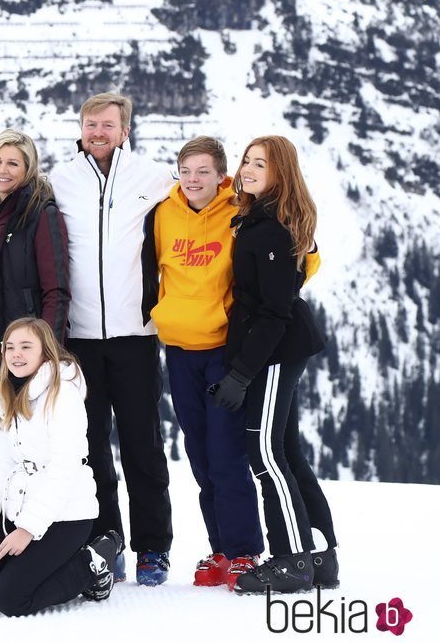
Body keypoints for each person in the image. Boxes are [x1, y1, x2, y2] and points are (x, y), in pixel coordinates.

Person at [49, 92, 175, 585]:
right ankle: (107, 540)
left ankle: (153, 548)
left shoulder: (154, 177)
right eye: (90, 124)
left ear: (125, 130)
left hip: (136, 335)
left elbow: (206, 202)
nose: (98, 132)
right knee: (91, 444)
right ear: (81, 129)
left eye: (108, 125)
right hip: (78, 338)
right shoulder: (61, 179)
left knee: (143, 444)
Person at [214, 135, 338, 595]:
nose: (246, 169)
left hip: (275, 350)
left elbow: (274, 312)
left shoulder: (272, 230)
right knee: (285, 452)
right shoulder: (261, 218)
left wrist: (242, 373)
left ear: (279, 173)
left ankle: (291, 560)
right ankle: (321, 556)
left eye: (259, 164)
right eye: (246, 160)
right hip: (278, 347)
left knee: (265, 455)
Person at [149, 136, 265, 590]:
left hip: (223, 351)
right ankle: (219, 548)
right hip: (179, 351)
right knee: (199, 454)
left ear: (221, 176)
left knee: (226, 455)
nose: (193, 179)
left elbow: (295, 257)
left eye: (203, 171)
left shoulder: (241, 211)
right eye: (186, 170)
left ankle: (244, 553)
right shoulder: (164, 214)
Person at [0, 318, 123, 617]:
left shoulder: (63, 395)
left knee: (11, 599)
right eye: (10, 347)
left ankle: (93, 562)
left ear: (45, 353)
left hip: (66, 515)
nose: (16, 354)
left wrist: (26, 530)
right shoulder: (5, 395)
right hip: (20, 511)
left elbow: (64, 472)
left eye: (25, 347)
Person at [0, 129, 70, 449]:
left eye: (13, 164)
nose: (2, 170)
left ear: (28, 170)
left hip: (24, 337)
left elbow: (57, 289)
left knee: (23, 429)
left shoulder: (41, 213)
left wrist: (50, 350)